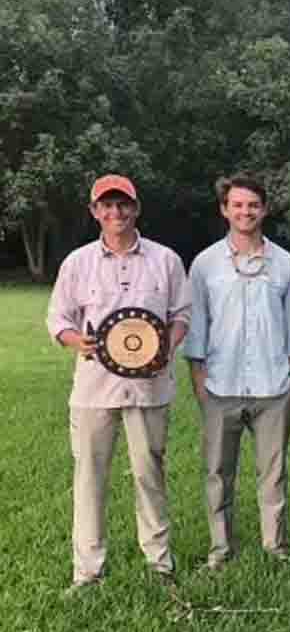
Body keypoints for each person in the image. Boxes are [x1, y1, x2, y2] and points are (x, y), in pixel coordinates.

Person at [47, 174, 191, 592]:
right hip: (94, 388)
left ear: (136, 207)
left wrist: (167, 344)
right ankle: (88, 571)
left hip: (149, 388)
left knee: (150, 474)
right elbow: (58, 318)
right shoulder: (77, 262)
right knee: (90, 478)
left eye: (123, 204)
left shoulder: (165, 259)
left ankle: (159, 563)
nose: (116, 212)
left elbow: (181, 314)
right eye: (106, 205)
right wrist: (78, 340)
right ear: (94, 212)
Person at [184, 175, 290, 569]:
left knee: (272, 472)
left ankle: (275, 546)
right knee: (218, 472)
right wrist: (198, 374)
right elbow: (197, 322)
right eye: (237, 205)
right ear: (225, 210)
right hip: (221, 383)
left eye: (253, 204)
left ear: (264, 209)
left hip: (273, 385)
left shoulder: (284, 262)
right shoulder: (205, 263)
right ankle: (220, 550)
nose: (245, 211)